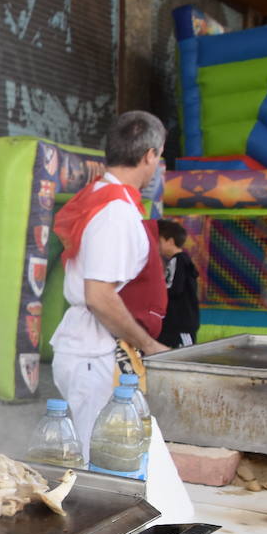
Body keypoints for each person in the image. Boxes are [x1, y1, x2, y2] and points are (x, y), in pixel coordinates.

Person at [50, 111, 171, 454]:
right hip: (93, 352)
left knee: (113, 451)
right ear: (150, 155)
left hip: (95, 348)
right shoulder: (115, 212)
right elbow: (99, 296)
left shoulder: (102, 195)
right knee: (101, 457)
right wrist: (148, 344)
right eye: (158, 157)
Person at [157, 219, 200, 348]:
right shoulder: (179, 261)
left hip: (181, 324)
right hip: (175, 324)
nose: (157, 245)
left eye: (159, 241)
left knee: (182, 357)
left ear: (170, 241)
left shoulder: (178, 260)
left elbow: (174, 288)